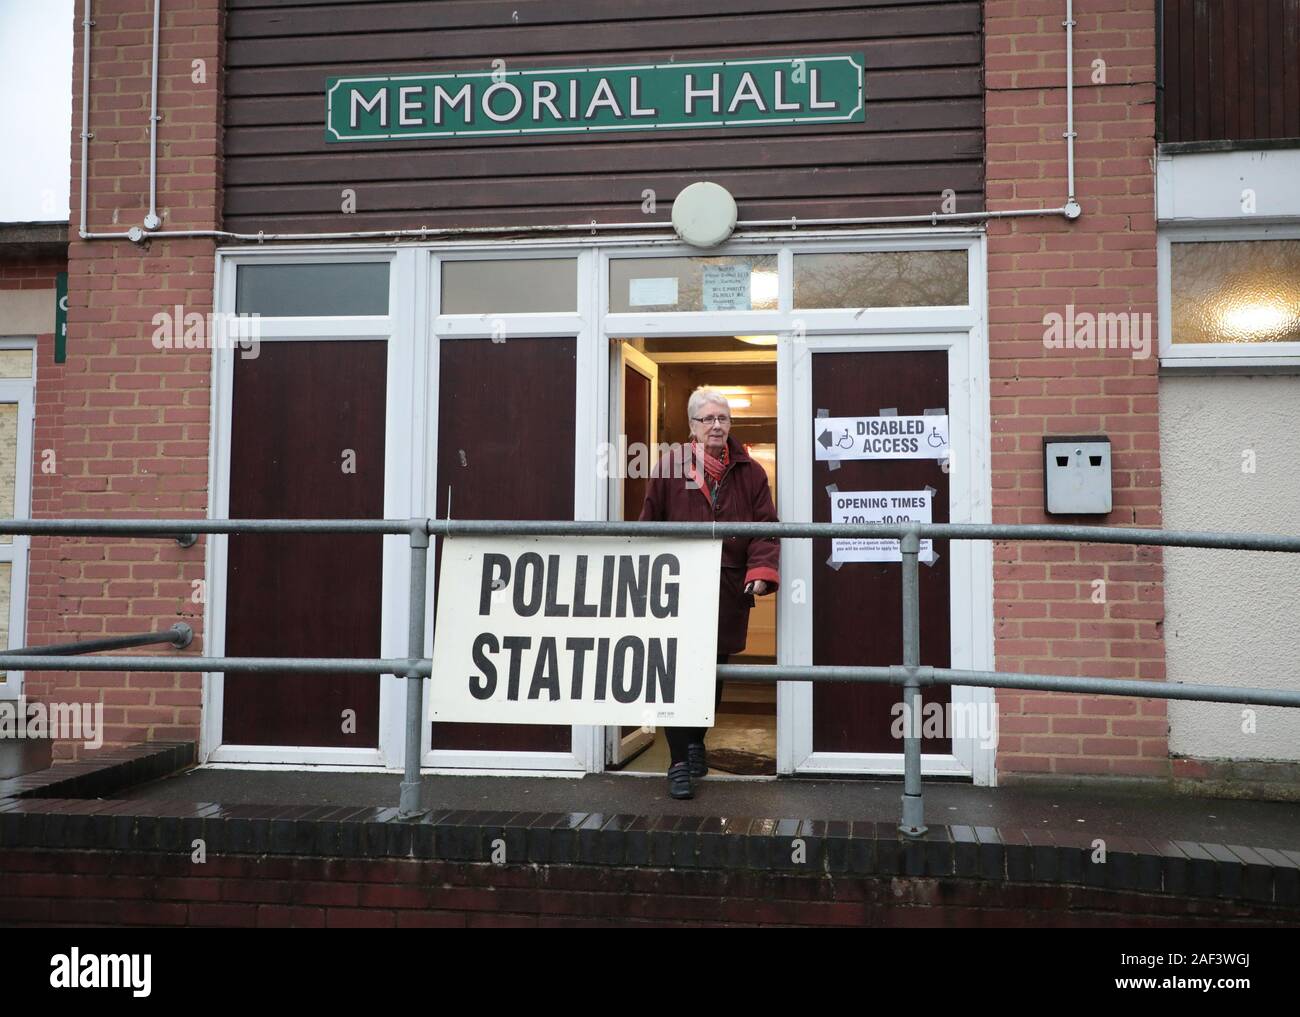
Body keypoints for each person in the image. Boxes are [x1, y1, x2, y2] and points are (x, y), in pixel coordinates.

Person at [638, 386, 779, 799]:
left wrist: (761, 570)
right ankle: (679, 760)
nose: (717, 426)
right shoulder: (668, 468)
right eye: (708, 419)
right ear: (692, 427)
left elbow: (766, 527)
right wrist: (648, 578)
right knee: (677, 674)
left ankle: (697, 739)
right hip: (677, 589)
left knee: (713, 673)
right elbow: (648, 525)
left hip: (726, 589)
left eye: (723, 419)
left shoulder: (750, 472)